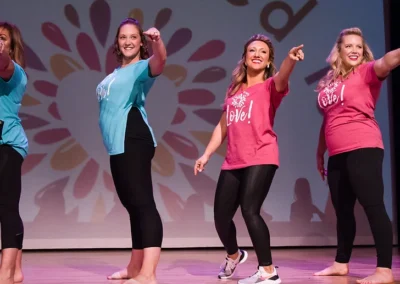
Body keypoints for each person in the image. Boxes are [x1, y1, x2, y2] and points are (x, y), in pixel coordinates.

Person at [194, 34, 304, 284]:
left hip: (262, 154)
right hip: (234, 159)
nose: (257, 54)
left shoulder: (270, 86)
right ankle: (234, 255)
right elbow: (223, 126)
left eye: (263, 52)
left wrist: (290, 59)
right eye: (252, 51)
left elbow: (283, 75)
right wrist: (207, 153)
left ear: (268, 61)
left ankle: (268, 270)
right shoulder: (233, 89)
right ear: (244, 58)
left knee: (249, 210)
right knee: (221, 217)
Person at [314, 27, 399, 284]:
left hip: (364, 147)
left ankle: (384, 269)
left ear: (364, 52)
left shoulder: (367, 71)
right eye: (349, 46)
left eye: (358, 47)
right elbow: (329, 118)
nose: (354, 50)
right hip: (336, 153)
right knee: (343, 212)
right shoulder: (330, 82)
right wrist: (320, 151)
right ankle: (341, 263)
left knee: (373, 207)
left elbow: (389, 60)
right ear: (339, 50)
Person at [96, 18, 166, 284]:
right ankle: (135, 267)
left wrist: (157, 43)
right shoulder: (114, 74)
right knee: (132, 205)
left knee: (143, 204)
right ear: (117, 42)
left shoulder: (140, 69)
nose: (127, 41)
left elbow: (159, 63)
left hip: (133, 138)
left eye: (133, 37)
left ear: (140, 42)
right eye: (123, 37)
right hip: (117, 144)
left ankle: (148, 273)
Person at [0, 22, 28, 284]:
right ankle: (16, 270)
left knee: (7, 207)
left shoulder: (14, 71)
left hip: (8, 144)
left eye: (1, 38)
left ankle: (6, 273)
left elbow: (3, 64)